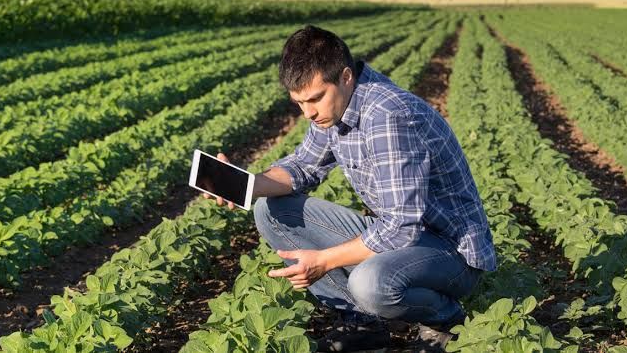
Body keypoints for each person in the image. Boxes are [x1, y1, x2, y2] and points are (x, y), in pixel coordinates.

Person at [203, 25, 496, 352]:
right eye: (299, 102)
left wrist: (324, 261)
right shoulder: (334, 108)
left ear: (345, 77)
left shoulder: (387, 116)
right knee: (271, 211)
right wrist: (245, 183)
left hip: (450, 253)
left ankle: (444, 318)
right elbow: (303, 166)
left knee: (369, 282)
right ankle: (364, 325)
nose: (309, 112)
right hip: (405, 237)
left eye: (315, 98)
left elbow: (401, 229)